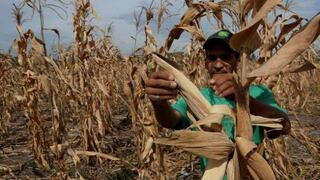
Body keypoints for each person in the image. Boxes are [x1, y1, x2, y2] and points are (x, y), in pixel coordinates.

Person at [145, 29, 291, 173]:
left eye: (225, 57)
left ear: (238, 59)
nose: (218, 64)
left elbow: (283, 127)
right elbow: (171, 120)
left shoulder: (258, 93)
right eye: (212, 58)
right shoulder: (198, 96)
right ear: (205, 63)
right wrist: (158, 102)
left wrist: (242, 99)